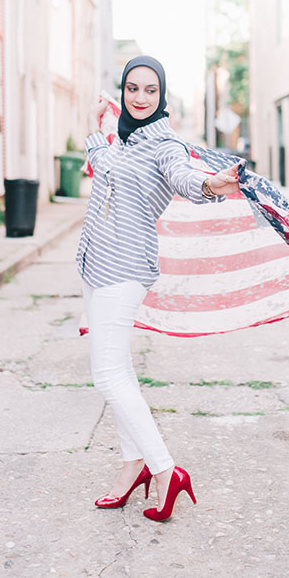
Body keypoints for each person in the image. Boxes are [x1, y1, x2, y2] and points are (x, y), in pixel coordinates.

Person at [77, 55, 240, 521]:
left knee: (107, 376)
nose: (141, 98)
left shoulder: (163, 143)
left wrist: (210, 185)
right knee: (120, 373)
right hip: (94, 266)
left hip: (125, 269)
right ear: (123, 91)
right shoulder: (123, 140)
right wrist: (94, 126)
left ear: (162, 94)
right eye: (133, 88)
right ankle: (134, 465)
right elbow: (103, 164)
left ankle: (166, 471)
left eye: (151, 90)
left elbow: (183, 177)